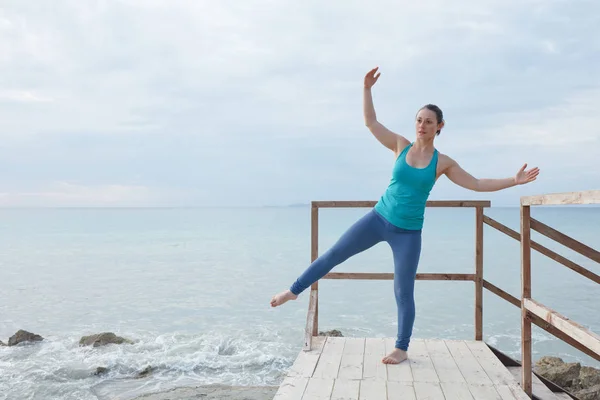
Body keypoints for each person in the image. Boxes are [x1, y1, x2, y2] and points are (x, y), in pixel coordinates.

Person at [270, 66, 540, 365]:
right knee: (334, 254)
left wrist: (513, 181)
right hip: (377, 220)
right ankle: (294, 291)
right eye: (419, 120)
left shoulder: (443, 163)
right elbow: (371, 123)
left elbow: (476, 184)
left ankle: (401, 347)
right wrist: (366, 89)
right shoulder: (400, 145)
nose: (422, 125)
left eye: (429, 122)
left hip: (408, 233)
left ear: (440, 126)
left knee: (403, 290)